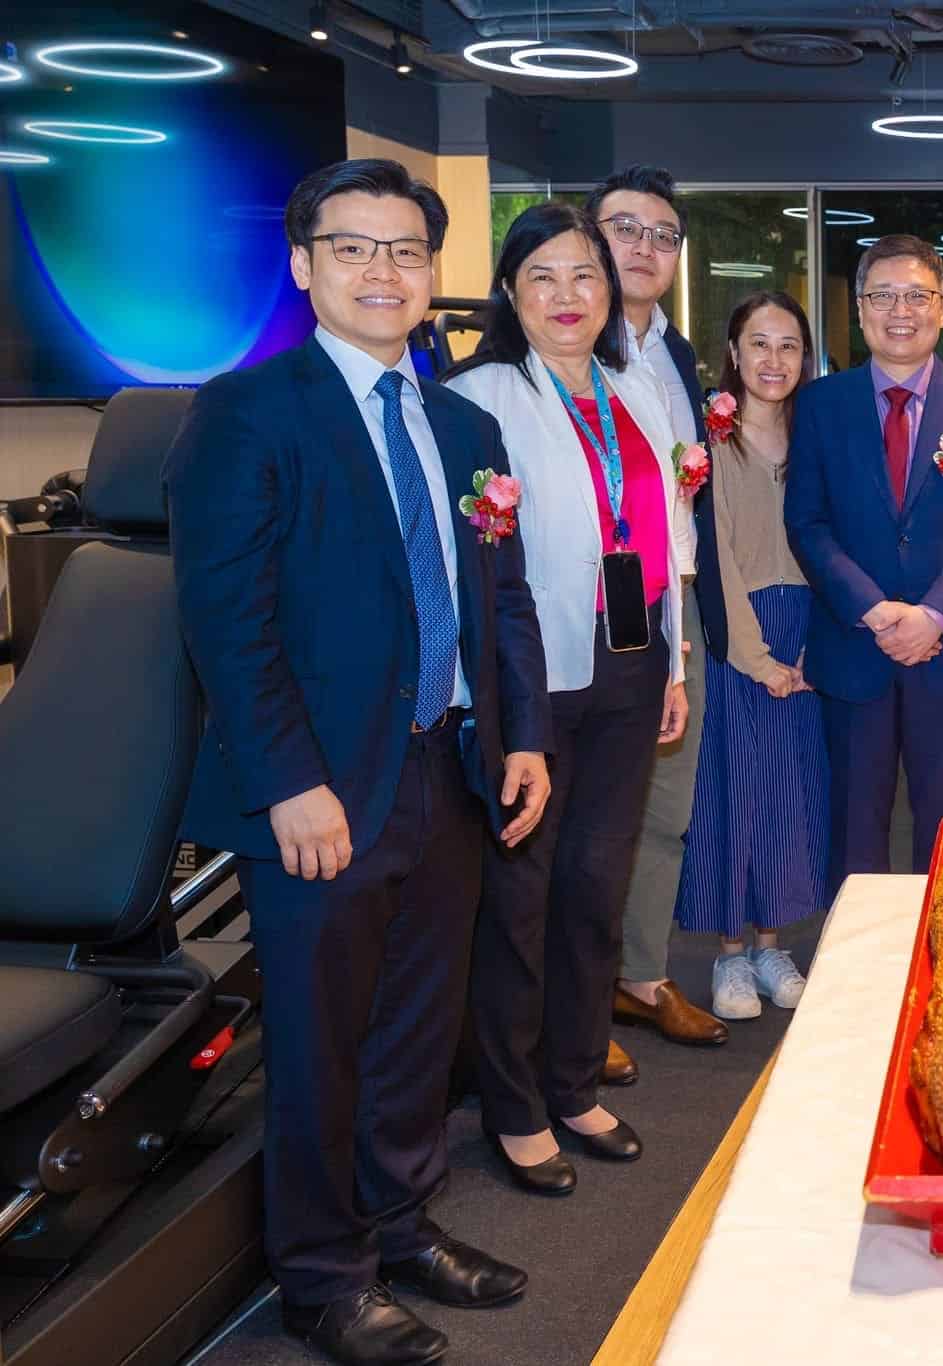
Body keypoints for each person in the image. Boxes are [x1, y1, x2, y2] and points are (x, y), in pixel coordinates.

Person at [167, 158, 551, 1365]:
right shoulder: (248, 411)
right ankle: (322, 1276)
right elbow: (227, 620)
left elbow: (502, 600)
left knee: (416, 1031)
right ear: (303, 264)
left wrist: (523, 737)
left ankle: (399, 1224)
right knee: (320, 1043)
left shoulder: (463, 423)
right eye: (353, 247)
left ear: (432, 272)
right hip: (321, 789)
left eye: (405, 251)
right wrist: (289, 781)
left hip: (449, 769)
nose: (382, 270)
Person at [444, 202, 695, 1196]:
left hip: (631, 660)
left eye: (584, 274)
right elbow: (475, 568)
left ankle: (575, 1081)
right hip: (532, 673)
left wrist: (674, 668)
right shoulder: (479, 398)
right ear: (509, 292)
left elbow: (667, 536)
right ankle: (513, 1106)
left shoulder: (635, 390)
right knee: (521, 896)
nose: (567, 295)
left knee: (596, 886)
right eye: (542, 276)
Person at [784, 234, 943, 887]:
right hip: (854, 648)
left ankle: (937, 948)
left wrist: (934, 616)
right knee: (855, 833)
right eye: (882, 296)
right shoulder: (822, 404)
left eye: (916, 295)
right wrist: (874, 610)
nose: (900, 311)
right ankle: (855, 952)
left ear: (942, 305)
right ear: (860, 309)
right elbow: (807, 522)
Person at [586, 165, 730, 1053]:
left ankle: (638, 975)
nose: (644, 248)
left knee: (667, 804)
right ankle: (574, 999)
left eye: (662, 235)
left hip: (672, 603)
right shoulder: (563, 347)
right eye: (625, 229)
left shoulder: (675, 354)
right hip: (594, 611)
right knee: (588, 811)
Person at [678, 291, 829, 1019]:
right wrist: (757, 657)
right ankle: (730, 955)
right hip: (739, 635)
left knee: (792, 797)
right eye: (759, 344)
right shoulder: (707, 441)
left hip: (810, 631)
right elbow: (713, 564)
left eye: (789, 345)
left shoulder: (816, 435)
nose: (774, 360)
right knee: (733, 795)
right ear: (734, 353)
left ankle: (774, 946)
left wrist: (816, 650)